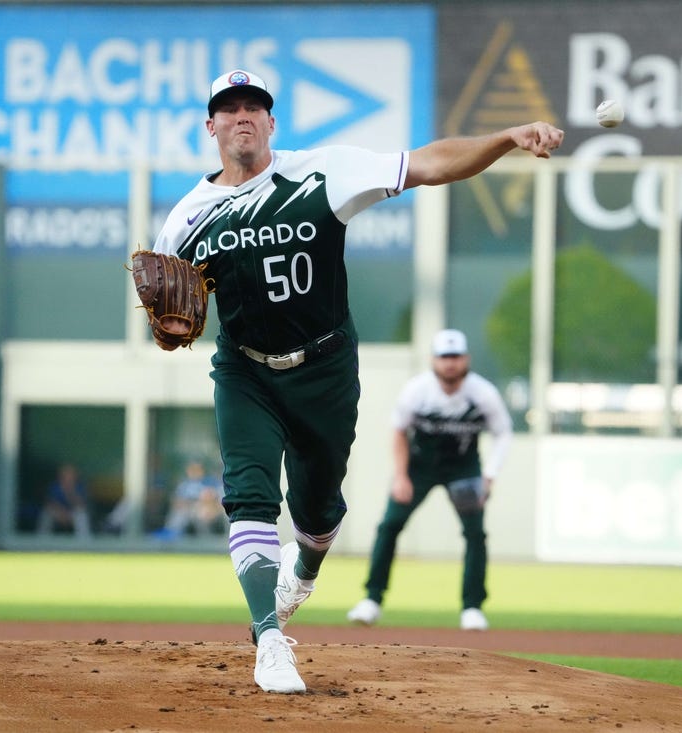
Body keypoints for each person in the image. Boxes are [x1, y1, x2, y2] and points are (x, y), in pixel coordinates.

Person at [150, 68, 563, 693]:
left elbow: (429, 164)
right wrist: (167, 328)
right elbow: (169, 308)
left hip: (325, 368)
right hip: (244, 370)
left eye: (254, 106)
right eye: (228, 108)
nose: (242, 116)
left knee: (316, 512)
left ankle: (306, 568)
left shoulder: (321, 172)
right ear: (210, 125)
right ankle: (269, 640)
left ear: (270, 121)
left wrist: (507, 135)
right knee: (250, 494)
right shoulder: (187, 218)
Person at [346, 329, 514, 631]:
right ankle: (371, 599)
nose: (450, 363)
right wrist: (400, 476)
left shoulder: (483, 393)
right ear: (433, 360)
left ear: (466, 359)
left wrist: (489, 476)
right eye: (444, 357)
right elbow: (398, 431)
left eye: (455, 356)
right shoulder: (417, 390)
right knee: (389, 525)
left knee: (475, 534)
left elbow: (503, 432)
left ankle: (472, 607)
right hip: (419, 466)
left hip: (464, 468)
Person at [152, 459, 226, 540]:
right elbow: (177, 501)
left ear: (202, 470)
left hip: (208, 510)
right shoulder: (184, 485)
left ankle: (207, 541)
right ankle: (171, 537)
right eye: (192, 470)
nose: (194, 472)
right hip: (189, 509)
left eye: (197, 470)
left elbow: (215, 500)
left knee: (204, 513)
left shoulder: (210, 482)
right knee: (178, 514)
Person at [36, 463, 91, 539]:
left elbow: (81, 505)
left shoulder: (79, 487)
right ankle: (42, 540)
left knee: (81, 514)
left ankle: (83, 542)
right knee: (46, 513)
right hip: (58, 513)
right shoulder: (55, 486)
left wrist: (70, 491)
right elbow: (50, 503)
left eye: (71, 475)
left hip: (72, 514)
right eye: (66, 475)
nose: (68, 477)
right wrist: (61, 512)